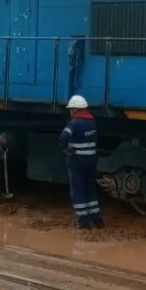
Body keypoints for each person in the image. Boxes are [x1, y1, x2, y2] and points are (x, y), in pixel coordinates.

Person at [58, 95, 104, 229]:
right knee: (90, 189)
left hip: (77, 162)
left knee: (78, 190)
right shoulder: (92, 121)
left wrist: (67, 148)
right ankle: (97, 219)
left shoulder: (74, 123)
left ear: (74, 110)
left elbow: (62, 139)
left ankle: (83, 221)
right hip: (91, 161)